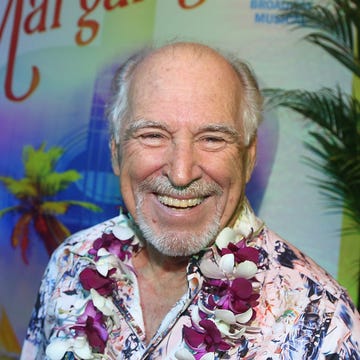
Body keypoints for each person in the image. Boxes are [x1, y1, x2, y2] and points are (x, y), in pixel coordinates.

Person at [20, 41, 359, 360]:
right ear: (115, 153)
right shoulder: (71, 263)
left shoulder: (321, 316)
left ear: (248, 158)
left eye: (212, 138)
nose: (181, 174)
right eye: (152, 135)